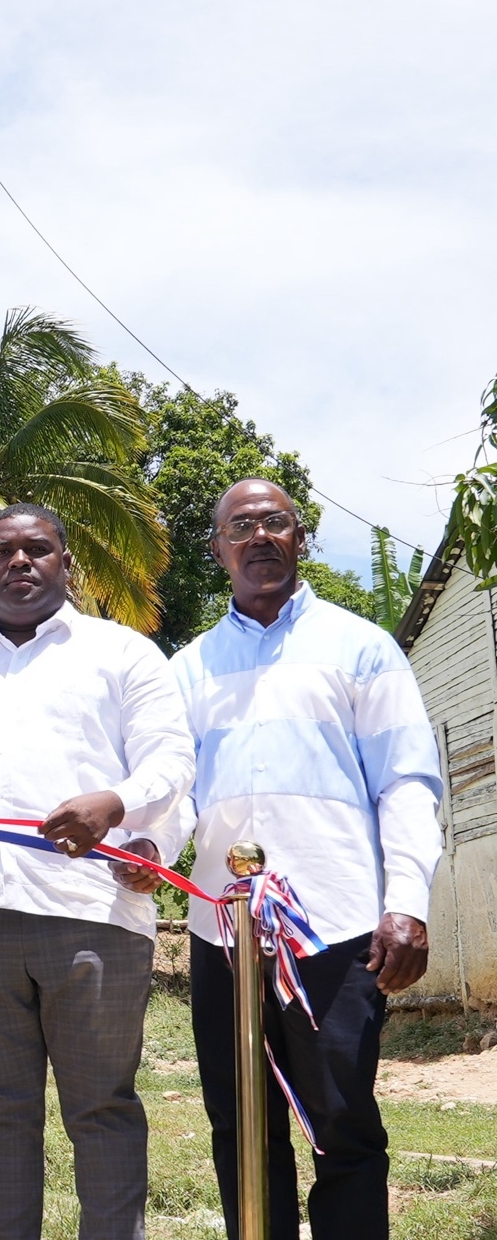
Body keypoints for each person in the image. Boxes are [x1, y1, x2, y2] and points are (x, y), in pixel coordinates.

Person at [0, 503, 196, 1240]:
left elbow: (171, 762)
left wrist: (114, 806)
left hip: (93, 916)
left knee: (101, 1108)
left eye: (36, 549)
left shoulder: (122, 654)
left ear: (66, 565)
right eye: (1, 551)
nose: (18, 562)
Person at [170, 479, 444, 1240]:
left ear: (299, 539)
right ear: (217, 547)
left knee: (341, 1123)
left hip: (335, 925)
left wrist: (406, 904)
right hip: (221, 934)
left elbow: (408, 781)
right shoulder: (187, 669)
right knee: (239, 1125)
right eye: (239, 526)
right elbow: (169, 795)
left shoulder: (361, 647)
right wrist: (143, 850)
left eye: (274, 523)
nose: (257, 536)